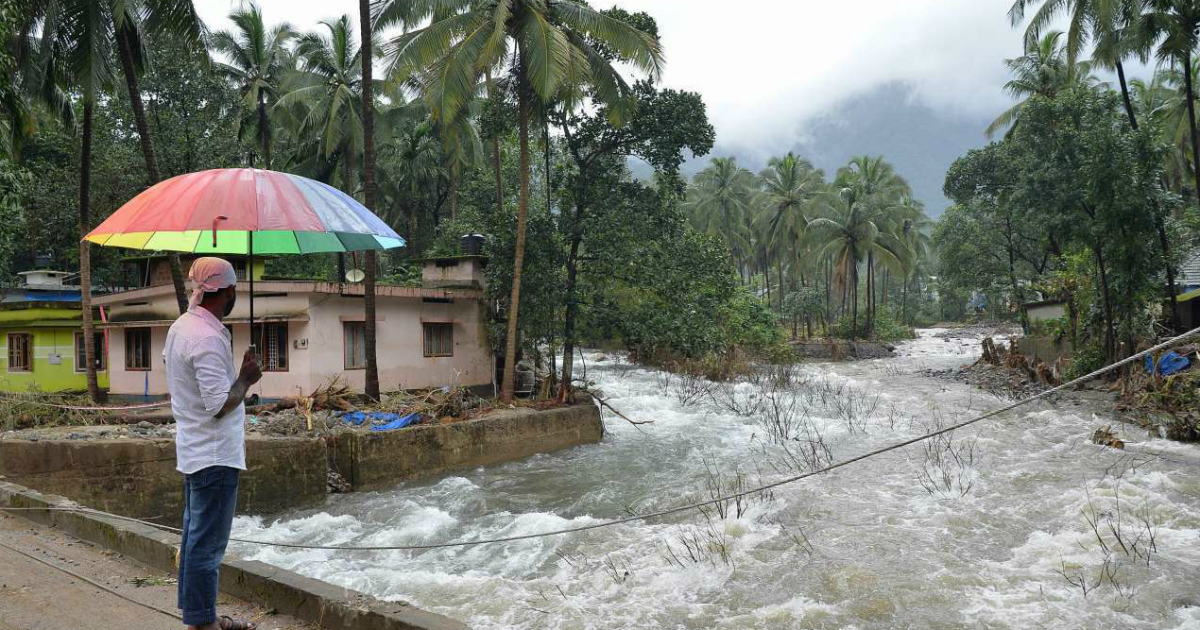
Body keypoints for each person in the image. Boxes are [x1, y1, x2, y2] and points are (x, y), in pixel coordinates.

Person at [164, 257, 262, 630]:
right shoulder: (206, 337)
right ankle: (203, 624)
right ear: (228, 291)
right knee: (207, 546)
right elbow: (219, 404)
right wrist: (246, 379)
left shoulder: (183, 327)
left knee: (194, 540)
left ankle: (199, 617)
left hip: (193, 450)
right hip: (215, 455)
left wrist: (236, 379)